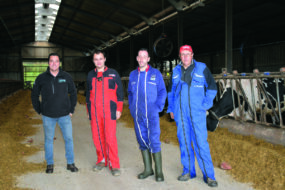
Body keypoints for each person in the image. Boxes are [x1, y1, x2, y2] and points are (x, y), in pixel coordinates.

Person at [167, 45, 218, 187]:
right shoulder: (175, 71)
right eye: (182, 54)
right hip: (180, 113)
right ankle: (188, 171)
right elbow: (170, 92)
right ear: (179, 56)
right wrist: (171, 108)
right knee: (184, 142)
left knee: (201, 143)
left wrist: (206, 104)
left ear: (192, 54)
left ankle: (209, 176)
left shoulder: (202, 68)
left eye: (187, 54)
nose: (185, 57)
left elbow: (212, 87)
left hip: (197, 113)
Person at [31, 52, 78, 174]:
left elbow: (73, 93)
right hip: (48, 116)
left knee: (68, 138)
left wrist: (71, 109)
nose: (54, 63)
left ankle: (70, 163)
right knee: (48, 140)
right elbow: (34, 94)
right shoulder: (41, 78)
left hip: (64, 115)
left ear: (59, 63)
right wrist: (39, 109)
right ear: (48, 63)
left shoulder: (66, 76)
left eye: (56, 61)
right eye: (51, 61)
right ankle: (50, 164)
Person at [128, 48, 167, 182]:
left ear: (148, 59)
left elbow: (162, 91)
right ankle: (148, 169)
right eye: (140, 56)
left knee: (154, 141)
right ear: (137, 58)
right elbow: (130, 93)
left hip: (152, 115)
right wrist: (132, 108)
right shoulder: (133, 75)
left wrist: (158, 107)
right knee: (142, 141)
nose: (142, 59)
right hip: (138, 115)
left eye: (145, 56)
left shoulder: (155, 74)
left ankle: (159, 171)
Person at [86, 50, 124, 176]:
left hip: (110, 110)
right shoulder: (90, 75)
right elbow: (88, 95)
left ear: (105, 59)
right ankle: (102, 160)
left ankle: (114, 164)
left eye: (100, 58)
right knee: (97, 137)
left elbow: (120, 94)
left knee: (110, 137)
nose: (98, 61)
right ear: (93, 61)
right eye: (96, 59)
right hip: (95, 111)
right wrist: (88, 111)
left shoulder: (113, 74)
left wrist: (119, 109)